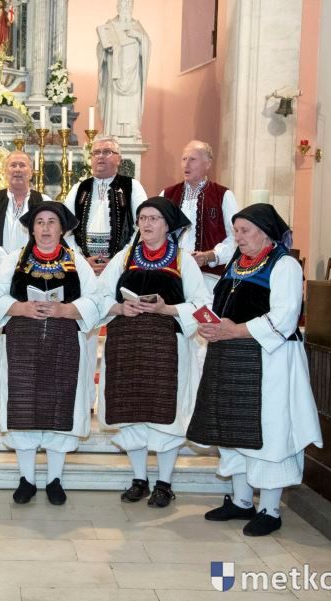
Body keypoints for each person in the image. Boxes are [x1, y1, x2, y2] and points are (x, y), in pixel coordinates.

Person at [186, 203, 322, 536]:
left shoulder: (284, 265)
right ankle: (241, 500)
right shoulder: (237, 263)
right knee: (233, 428)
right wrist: (211, 325)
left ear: (266, 232)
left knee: (268, 431)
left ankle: (270, 509)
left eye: (244, 230)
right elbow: (221, 305)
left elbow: (284, 317)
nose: (238, 237)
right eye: (236, 231)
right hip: (230, 357)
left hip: (269, 361)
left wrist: (235, 329)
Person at [97, 197, 210, 507]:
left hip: (166, 349)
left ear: (167, 225)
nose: (146, 224)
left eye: (153, 218)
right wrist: (120, 307)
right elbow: (98, 297)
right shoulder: (124, 258)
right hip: (127, 347)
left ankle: (164, 483)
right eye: (142, 218)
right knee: (131, 412)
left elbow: (203, 304)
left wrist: (167, 308)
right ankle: (139, 479)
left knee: (166, 416)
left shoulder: (183, 261)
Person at [0, 202, 100, 505]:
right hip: (23, 344)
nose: (46, 228)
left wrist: (67, 309)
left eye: (52, 222)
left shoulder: (76, 262)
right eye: (40, 222)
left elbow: (96, 299)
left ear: (62, 229)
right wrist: (21, 307)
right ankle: (26, 479)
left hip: (64, 344)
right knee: (23, 407)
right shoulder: (15, 260)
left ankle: (54, 479)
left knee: (59, 407)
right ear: (32, 228)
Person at [64, 134, 147, 412]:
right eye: (96, 152)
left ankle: (114, 400)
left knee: (118, 335)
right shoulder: (79, 188)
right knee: (84, 332)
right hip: (84, 268)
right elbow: (64, 228)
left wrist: (118, 260)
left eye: (107, 152)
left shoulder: (132, 187)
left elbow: (143, 227)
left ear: (118, 159)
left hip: (119, 268)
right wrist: (81, 259)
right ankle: (83, 400)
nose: (101, 157)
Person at [0, 151, 51, 415]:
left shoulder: (44, 201)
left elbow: (51, 237)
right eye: (12, 165)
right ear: (5, 171)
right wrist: (10, 262)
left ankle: (29, 392)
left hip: (35, 278)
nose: (17, 169)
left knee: (33, 337)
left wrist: (25, 262)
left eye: (23, 165)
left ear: (32, 171)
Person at [160, 141, 238, 294]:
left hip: (207, 278)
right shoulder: (167, 195)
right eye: (184, 159)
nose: (186, 164)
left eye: (192, 159)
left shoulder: (223, 195)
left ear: (207, 164)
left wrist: (210, 256)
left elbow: (236, 237)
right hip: (170, 275)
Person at [96, 0, 150, 141]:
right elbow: (101, 47)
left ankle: (132, 130)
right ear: (118, 7)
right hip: (115, 72)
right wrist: (106, 50)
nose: (125, 8)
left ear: (132, 7)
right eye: (123, 5)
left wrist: (138, 36)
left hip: (133, 74)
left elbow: (146, 46)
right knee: (115, 102)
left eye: (128, 5)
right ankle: (112, 130)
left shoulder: (137, 27)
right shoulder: (110, 25)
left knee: (131, 102)